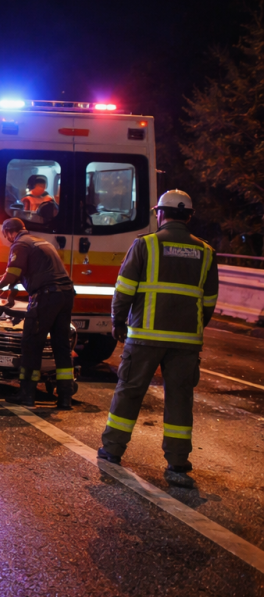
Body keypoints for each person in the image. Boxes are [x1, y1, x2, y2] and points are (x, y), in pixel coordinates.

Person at [98, 190, 218, 489]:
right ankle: (177, 462)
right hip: (186, 341)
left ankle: (112, 450)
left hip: (144, 338)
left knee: (129, 391)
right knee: (180, 398)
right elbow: (209, 301)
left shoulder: (146, 244)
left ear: (160, 213)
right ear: (189, 216)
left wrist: (118, 321)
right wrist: (193, 327)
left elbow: (125, 288)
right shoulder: (206, 251)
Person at [0, 218, 77, 407]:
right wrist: (9, 294)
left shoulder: (20, 244)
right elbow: (24, 274)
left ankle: (26, 394)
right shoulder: (40, 242)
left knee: (32, 343)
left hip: (46, 296)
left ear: (9, 232)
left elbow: (12, 274)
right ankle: (65, 397)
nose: (6, 239)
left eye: (5, 235)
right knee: (61, 346)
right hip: (65, 295)